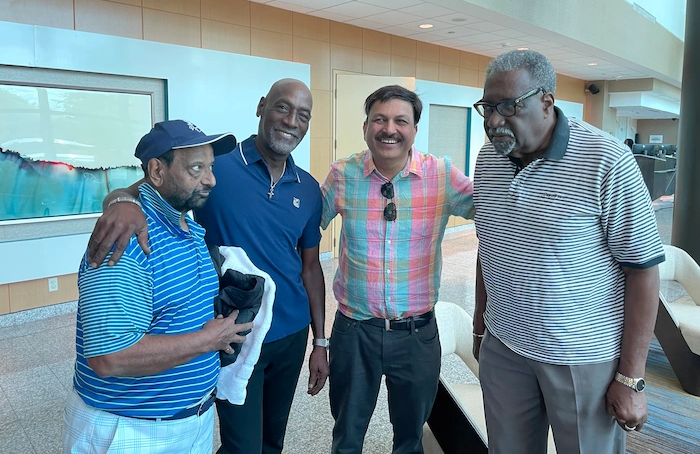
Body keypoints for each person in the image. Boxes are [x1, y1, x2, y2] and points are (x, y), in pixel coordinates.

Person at [85, 79, 328, 454]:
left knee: (272, 441)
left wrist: (320, 340)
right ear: (261, 106)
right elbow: (143, 189)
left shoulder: (308, 188)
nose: (291, 121)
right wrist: (120, 202)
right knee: (242, 446)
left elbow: (310, 268)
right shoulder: (217, 167)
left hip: (291, 333)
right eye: (282, 107)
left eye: (303, 115)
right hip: (234, 331)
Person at [471, 50, 664, 454]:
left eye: (508, 106)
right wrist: (480, 326)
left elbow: (642, 271)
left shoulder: (607, 160)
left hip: (582, 356)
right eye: (487, 107)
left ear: (546, 101)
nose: (494, 120)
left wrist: (631, 378)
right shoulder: (488, 159)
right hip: (505, 346)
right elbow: (489, 246)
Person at [63, 120, 254, 453]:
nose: (211, 179)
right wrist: (208, 340)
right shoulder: (127, 240)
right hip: (132, 431)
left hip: (190, 422)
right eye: (196, 168)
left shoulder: (184, 224)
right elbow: (109, 357)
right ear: (157, 171)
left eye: (210, 167)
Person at [320, 85, 475, 454]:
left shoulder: (442, 175)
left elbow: (491, 209)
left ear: (414, 130)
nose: (389, 129)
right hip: (354, 332)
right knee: (346, 436)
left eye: (400, 121)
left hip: (416, 335)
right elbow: (303, 230)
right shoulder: (342, 175)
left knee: (410, 438)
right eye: (380, 119)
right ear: (365, 127)